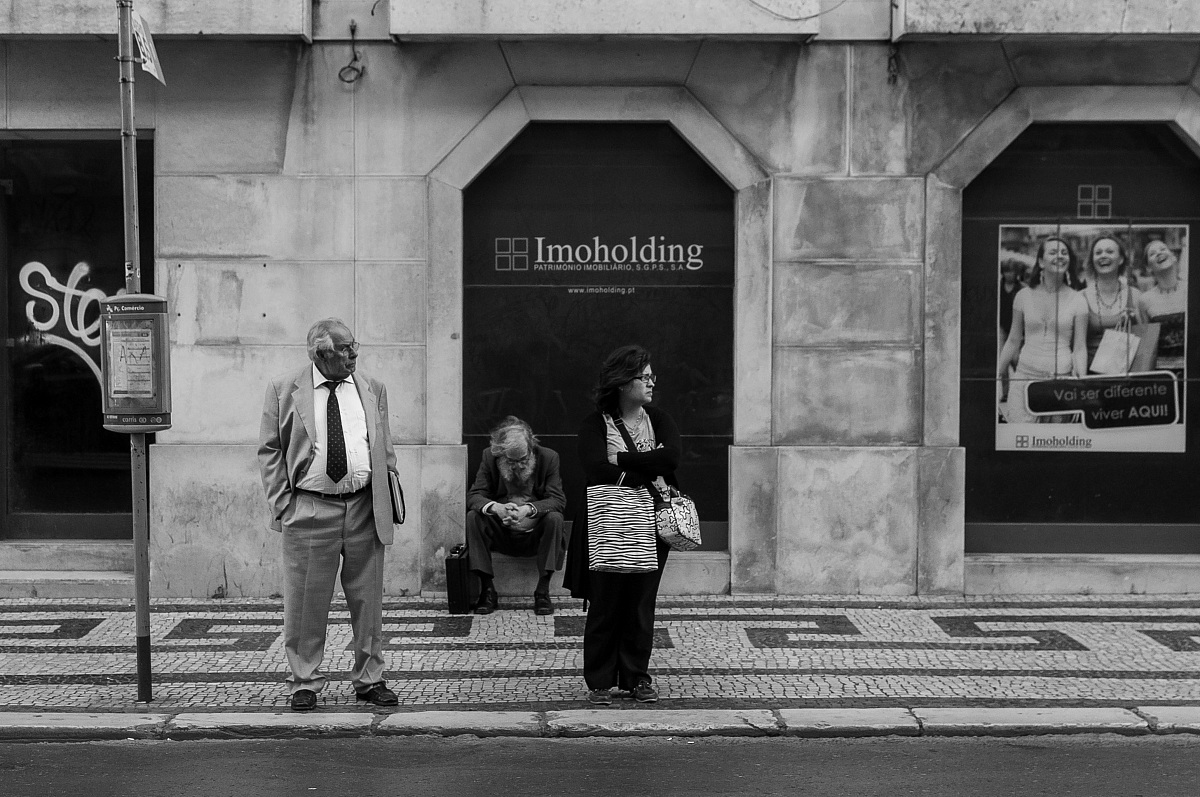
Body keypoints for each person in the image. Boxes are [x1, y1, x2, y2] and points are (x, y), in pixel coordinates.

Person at [258, 318, 400, 711]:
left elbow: (383, 445)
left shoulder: (372, 388)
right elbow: (269, 450)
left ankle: (370, 679)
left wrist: (388, 489)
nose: (355, 354)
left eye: (355, 345)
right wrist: (283, 504)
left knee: (368, 602)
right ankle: (304, 681)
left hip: (364, 507)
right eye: (346, 348)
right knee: (305, 602)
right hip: (308, 508)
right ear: (322, 354)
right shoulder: (284, 389)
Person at [564, 344, 679, 706]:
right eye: (643, 377)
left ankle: (636, 678)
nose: (650, 383)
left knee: (641, 604)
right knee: (606, 603)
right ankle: (599, 680)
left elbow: (672, 457)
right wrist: (647, 465)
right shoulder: (595, 423)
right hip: (607, 523)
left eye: (651, 377)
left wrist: (624, 460)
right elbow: (595, 467)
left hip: (651, 524)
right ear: (622, 382)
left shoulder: (658, 419)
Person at [465, 416, 567, 616]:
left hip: (535, 534)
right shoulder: (489, 458)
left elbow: (557, 500)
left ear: (531, 447)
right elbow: (474, 496)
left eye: (523, 459)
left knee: (555, 518)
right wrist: (497, 508)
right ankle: (487, 590)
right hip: (501, 533)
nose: (519, 466)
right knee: (473, 517)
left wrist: (527, 510)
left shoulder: (549, 458)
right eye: (511, 461)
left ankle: (543, 591)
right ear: (500, 452)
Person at [996, 237, 1088, 423]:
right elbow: (1013, 339)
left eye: (1064, 253)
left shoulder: (1078, 300)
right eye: (1053, 252)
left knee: (1055, 445)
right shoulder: (1023, 296)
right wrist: (997, 373)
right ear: (1040, 261)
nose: (1060, 256)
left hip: (1060, 384)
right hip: (1024, 379)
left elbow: (1079, 347)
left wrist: (1081, 385)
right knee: (1020, 440)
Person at [1080, 234, 1146, 370]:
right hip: (1090, 378)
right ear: (1092, 260)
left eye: (1110, 251)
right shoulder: (1080, 298)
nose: (1103, 256)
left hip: (1127, 378)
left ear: (1121, 259)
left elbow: (1145, 341)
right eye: (1098, 253)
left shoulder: (1135, 295)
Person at [1140, 239, 1187, 373]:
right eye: (1153, 253)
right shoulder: (1145, 300)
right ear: (1149, 267)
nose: (1159, 253)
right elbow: (1148, 346)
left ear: (1173, 257)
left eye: (1163, 249)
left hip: (1193, 368)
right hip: (1164, 373)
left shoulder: (1191, 289)